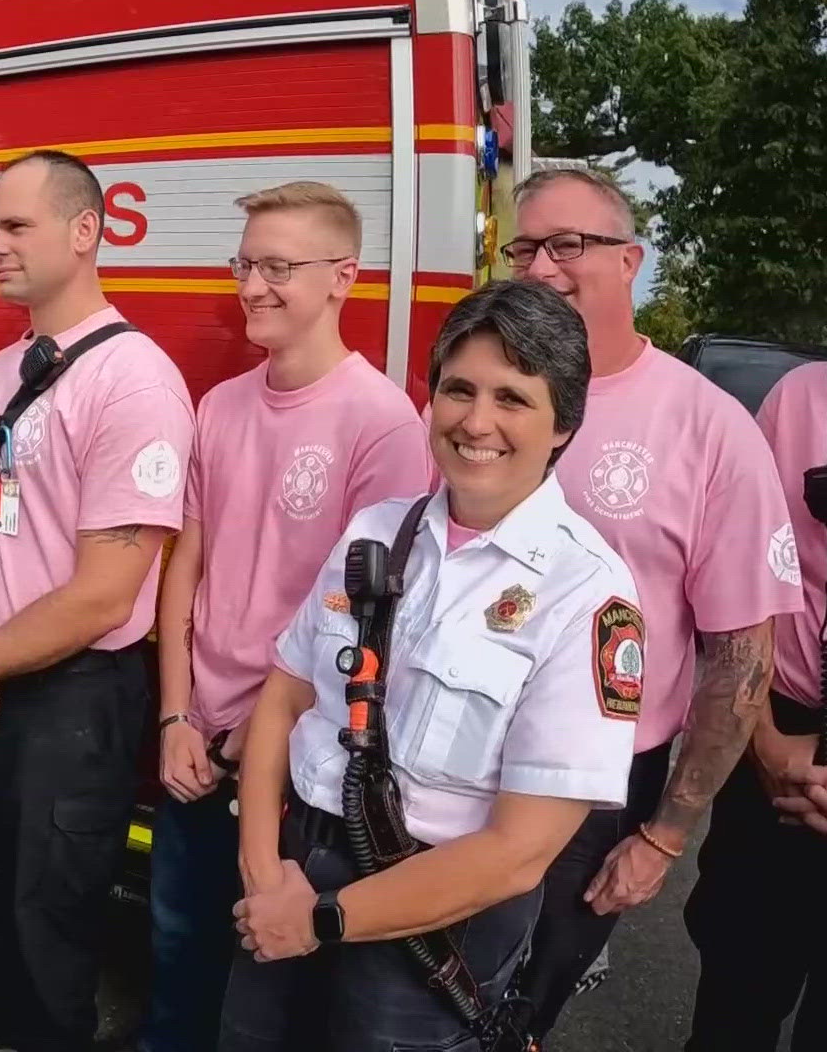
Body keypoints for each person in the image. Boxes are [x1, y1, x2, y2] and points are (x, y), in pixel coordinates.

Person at [219, 278, 643, 1052]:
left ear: (564, 426)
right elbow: (281, 700)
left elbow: (519, 852)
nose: (476, 422)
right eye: (458, 389)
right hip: (296, 871)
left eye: (512, 399)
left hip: (437, 921)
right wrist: (264, 873)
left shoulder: (587, 592)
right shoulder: (377, 533)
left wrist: (320, 920)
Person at [0, 150, 195, 1052]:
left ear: (84, 232)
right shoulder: (2, 371)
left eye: (14, 226)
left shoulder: (133, 380)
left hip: (71, 696)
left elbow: (107, 594)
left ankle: (44, 1032)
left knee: (52, 904)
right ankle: (0, 1012)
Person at [504, 169, 799, 1038]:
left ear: (630, 261)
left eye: (569, 245)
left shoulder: (708, 427)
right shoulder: (489, 400)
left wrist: (665, 836)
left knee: (521, 1008)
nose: (541, 268)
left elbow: (743, 654)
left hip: (600, 779)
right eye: (525, 248)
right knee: (426, 989)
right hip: (459, 753)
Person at [141, 182, 434, 1052]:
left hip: (298, 755)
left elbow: (365, 621)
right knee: (176, 939)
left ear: (344, 277)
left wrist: (251, 733)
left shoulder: (381, 422)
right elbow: (184, 564)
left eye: (278, 267)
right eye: (245, 264)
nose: (254, 285)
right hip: (197, 734)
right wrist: (175, 715)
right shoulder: (220, 406)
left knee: (271, 976)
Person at [682, 359, 827, 1050]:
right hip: (780, 740)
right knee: (738, 986)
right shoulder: (799, 398)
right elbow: (736, 576)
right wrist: (763, 741)